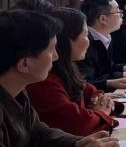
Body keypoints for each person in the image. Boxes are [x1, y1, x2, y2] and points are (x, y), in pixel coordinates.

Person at [0, 9, 119, 146]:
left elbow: (38, 132)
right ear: (24, 64)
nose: (56, 56)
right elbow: (76, 124)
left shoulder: (18, 91)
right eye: (51, 50)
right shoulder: (35, 86)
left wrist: (77, 143)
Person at [26, 8, 124, 136]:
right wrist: (102, 112)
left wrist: (102, 103)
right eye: (85, 35)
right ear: (65, 41)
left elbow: (90, 91)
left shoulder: (67, 68)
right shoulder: (43, 79)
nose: (89, 41)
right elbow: (78, 124)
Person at [77, 0, 126, 92]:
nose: (122, 15)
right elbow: (88, 81)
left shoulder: (106, 37)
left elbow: (108, 67)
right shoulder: (85, 43)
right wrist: (122, 75)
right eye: (118, 12)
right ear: (103, 19)